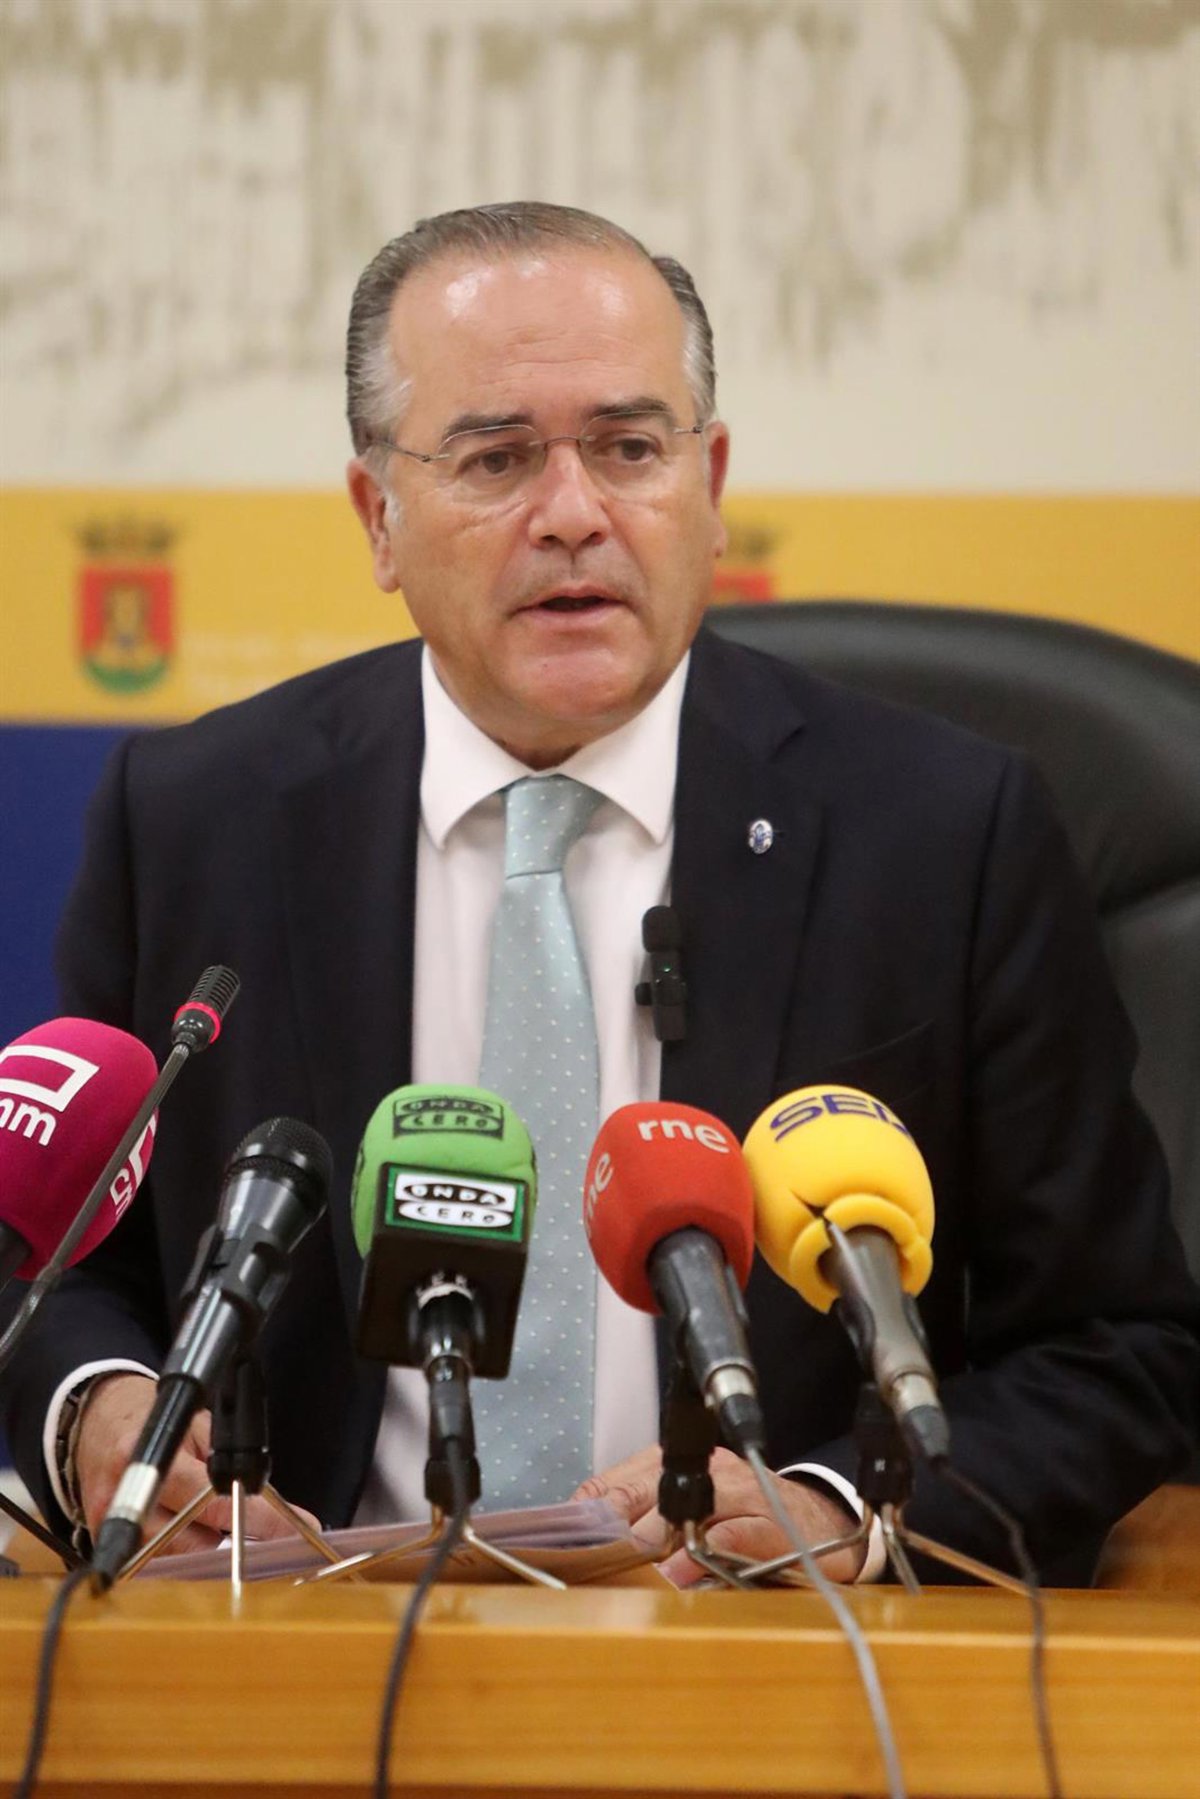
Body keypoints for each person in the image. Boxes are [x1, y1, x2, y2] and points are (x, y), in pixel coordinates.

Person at [2, 203, 1197, 1585]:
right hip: (308, 1621)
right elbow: (57, 1258)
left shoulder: (941, 835)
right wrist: (97, 1409)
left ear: (710, 484)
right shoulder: (196, 819)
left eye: (630, 448)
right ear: (379, 517)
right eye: (496, 457)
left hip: (771, 1642)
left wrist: (835, 1509)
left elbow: (1117, 1346)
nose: (574, 514)